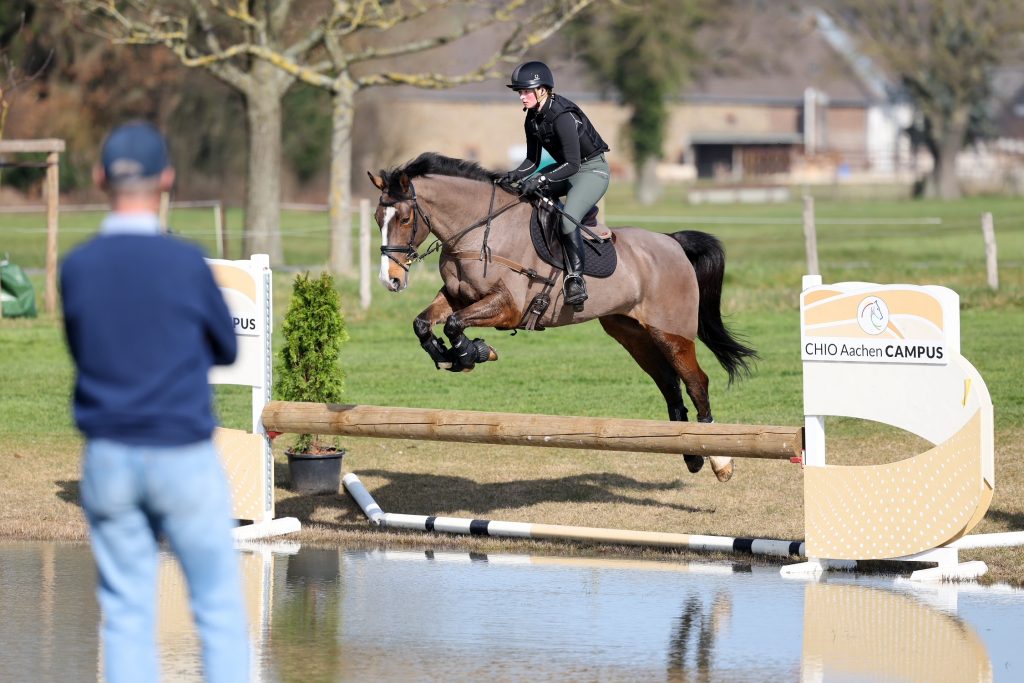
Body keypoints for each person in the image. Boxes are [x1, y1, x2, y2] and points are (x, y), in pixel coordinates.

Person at [60, 121, 249, 683]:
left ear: (99, 179)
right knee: (217, 610)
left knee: (124, 615)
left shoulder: (77, 267)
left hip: (109, 458)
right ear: (167, 178)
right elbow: (225, 345)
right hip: (183, 456)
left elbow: (81, 346)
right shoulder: (186, 264)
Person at [502, 60, 611, 309]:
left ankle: (575, 279)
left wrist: (540, 179)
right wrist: (513, 176)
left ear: (542, 90)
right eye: (519, 92)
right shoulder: (533, 118)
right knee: (522, 195)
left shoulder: (562, 116)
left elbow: (573, 165)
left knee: (567, 218)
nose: (521, 96)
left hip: (591, 170)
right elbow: (532, 160)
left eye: (525, 91)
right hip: (566, 168)